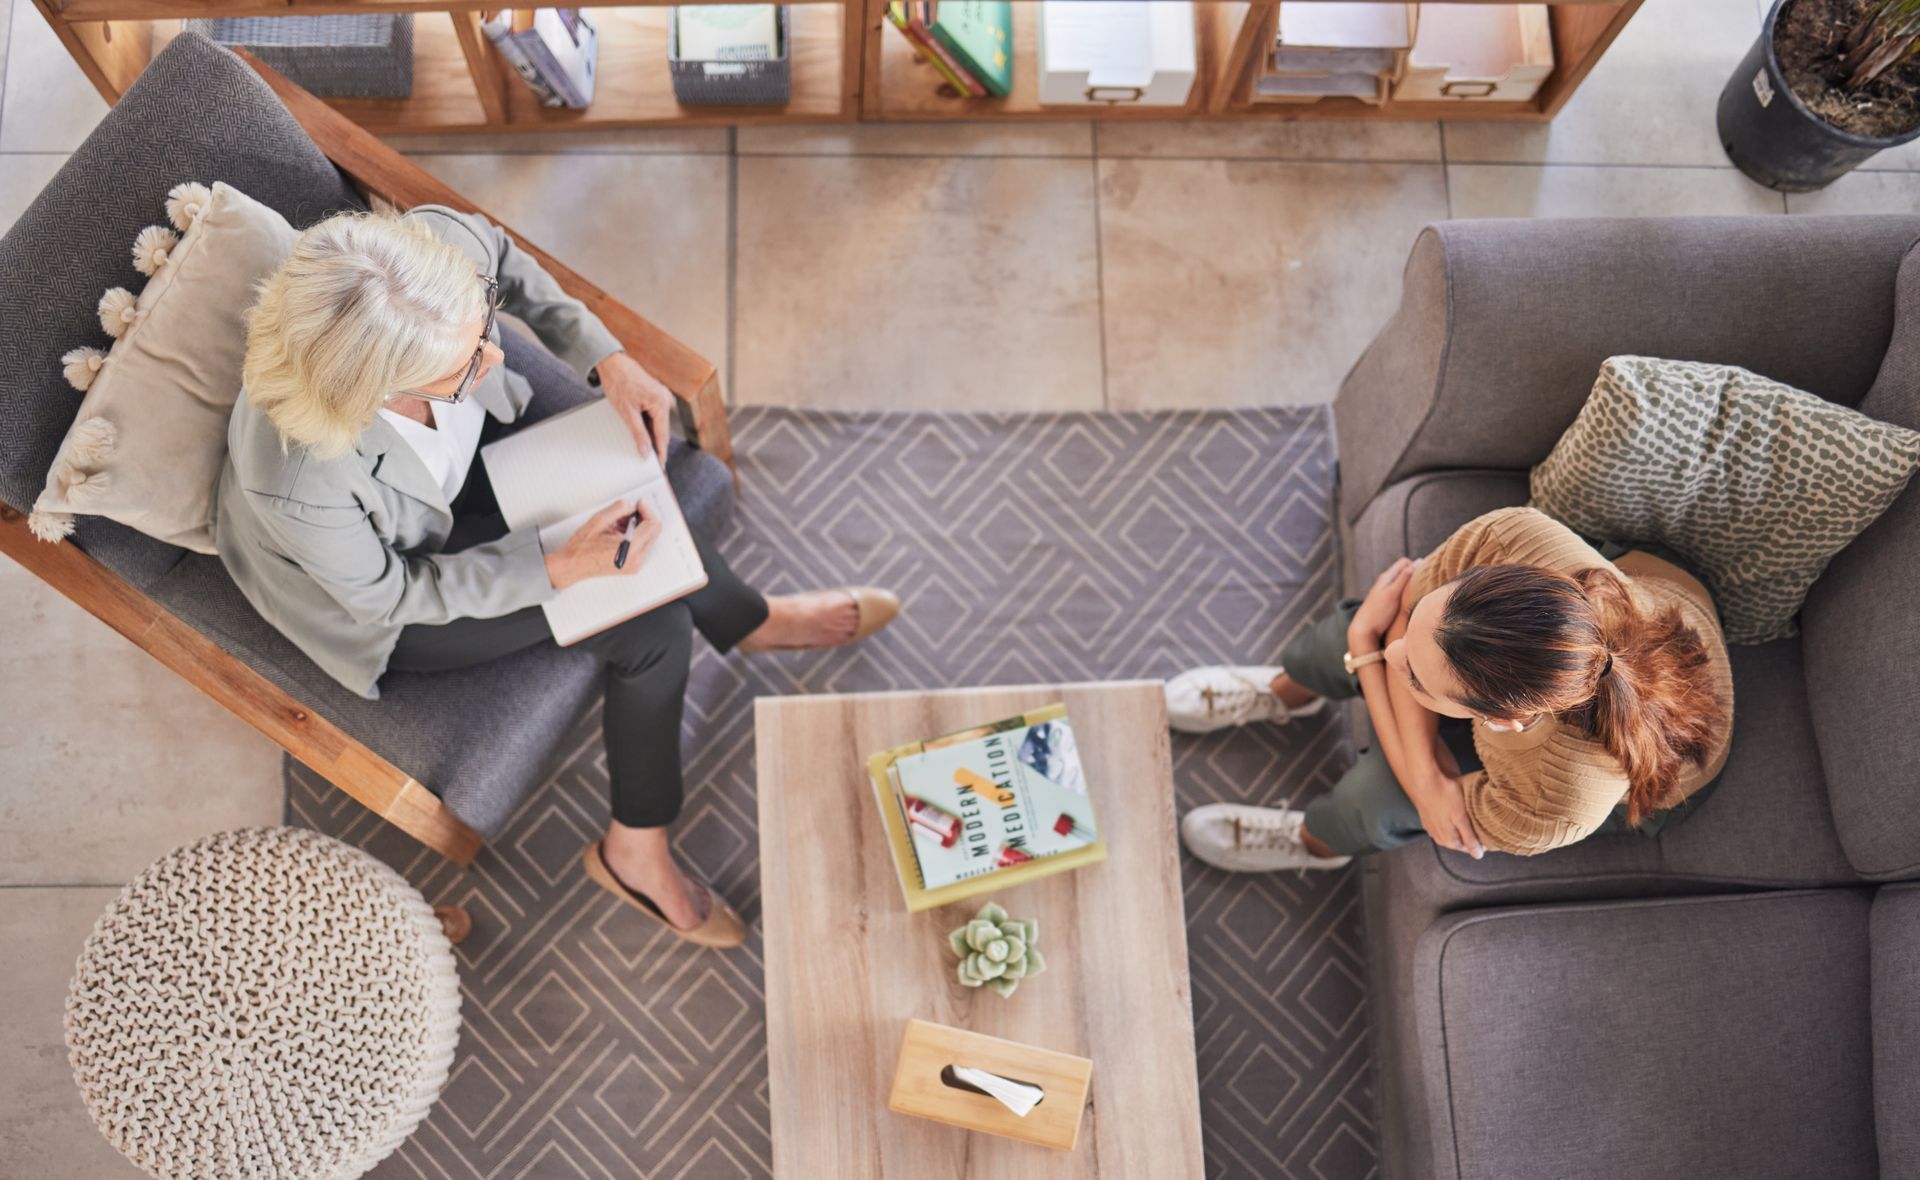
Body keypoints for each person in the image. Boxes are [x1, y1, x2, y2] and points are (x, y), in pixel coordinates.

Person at [213, 208, 899, 947]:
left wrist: (608, 358)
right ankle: (634, 849)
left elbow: (501, 253)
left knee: (630, 485)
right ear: (377, 394)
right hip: (394, 595)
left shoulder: (419, 261)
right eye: (465, 368)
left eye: (485, 332)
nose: (500, 362)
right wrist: (557, 565)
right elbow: (391, 594)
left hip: (464, 466)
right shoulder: (298, 475)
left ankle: (745, 620)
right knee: (653, 623)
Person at [1165, 507, 1732, 870]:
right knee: (1341, 637)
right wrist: (1368, 649)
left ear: (1499, 722)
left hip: (1633, 771)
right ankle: (1288, 691)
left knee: (1371, 804)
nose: (1391, 655)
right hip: (1640, 608)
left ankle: (1312, 844)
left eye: (1412, 675)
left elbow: (1441, 812)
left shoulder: (1561, 799)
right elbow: (1398, 630)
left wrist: (1368, 650)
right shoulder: (1518, 538)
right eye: (1406, 640)